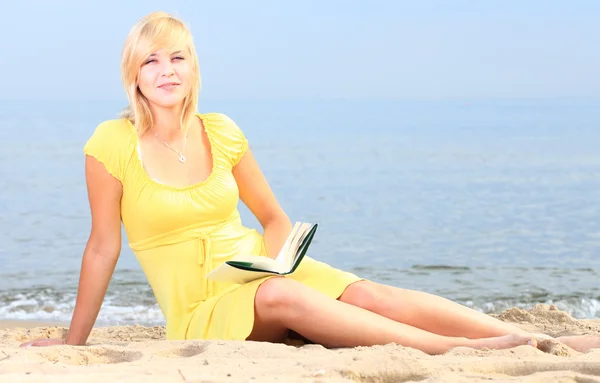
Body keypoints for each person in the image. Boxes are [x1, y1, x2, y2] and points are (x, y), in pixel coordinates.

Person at [21, 11, 599, 355]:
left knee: (367, 293)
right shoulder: (110, 144)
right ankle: (463, 351)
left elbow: (273, 218)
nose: (166, 70)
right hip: (201, 306)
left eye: (177, 57)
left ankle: (538, 341)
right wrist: (74, 344)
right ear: (135, 75)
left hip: (259, 275)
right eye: (151, 61)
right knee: (282, 296)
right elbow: (102, 246)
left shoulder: (221, 132)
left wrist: (273, 264)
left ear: (194, 67)